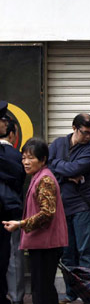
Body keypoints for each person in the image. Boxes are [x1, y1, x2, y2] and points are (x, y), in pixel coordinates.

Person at [3, 138, 68, 304]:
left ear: (43, 159)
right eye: (23, 158)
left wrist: (20, 224)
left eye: (31, 158)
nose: (25, 162)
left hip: (46, 244)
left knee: (42, 290)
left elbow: (47, 213)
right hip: (42, 243)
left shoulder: (45, 180)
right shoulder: (38, 176)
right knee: (41, 288)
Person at [48, 113, 90, 304]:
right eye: (85, 132)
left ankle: (88, 294)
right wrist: (66, 174)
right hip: (60, 206)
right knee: (68, 253)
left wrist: (62, 169)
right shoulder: (58, 144)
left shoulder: (88, 150)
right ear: (74, 128)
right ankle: (70, 293)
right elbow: (48, 166)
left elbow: (74, 169)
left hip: (81, 205)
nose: (89, 137)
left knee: (86, 251)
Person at [0, 116, 25, 304]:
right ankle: (16, 297)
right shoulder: (17, 156)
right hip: (11, 212)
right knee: (14, 255)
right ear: (12, 135)